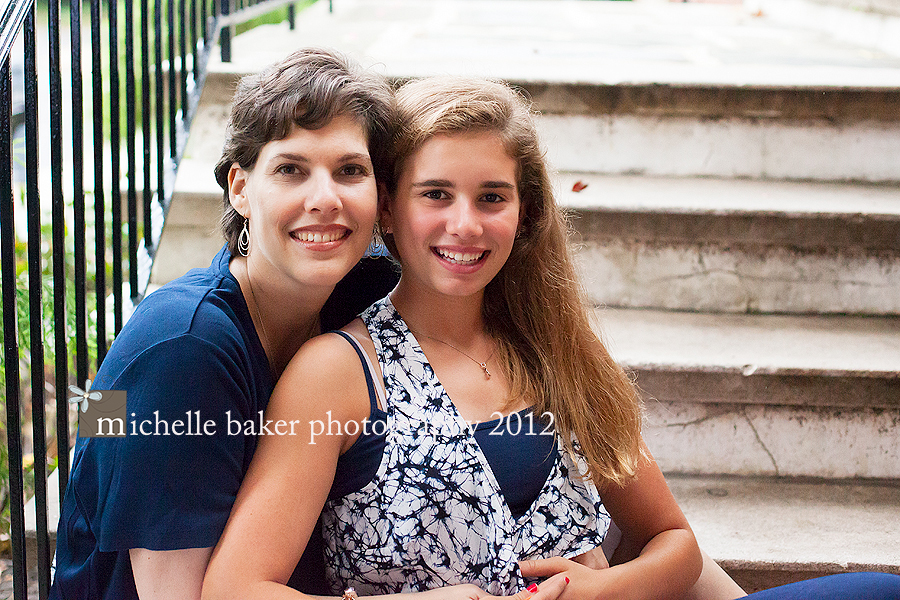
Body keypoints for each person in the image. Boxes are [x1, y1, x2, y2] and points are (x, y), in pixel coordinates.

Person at [202, 76, 900, 600]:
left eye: (492, 197)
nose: (465, 225)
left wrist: (606, 589)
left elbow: (674, 542)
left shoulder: (550, 348)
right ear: (388, 209)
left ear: (526, 211)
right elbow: (234, 588)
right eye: (435, 194)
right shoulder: (339, 370)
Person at [49, 47, 397, 600]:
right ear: (240, 188)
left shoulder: (356, 300)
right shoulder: (182, 346)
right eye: (290, 169)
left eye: (350, 170)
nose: (325, 199)